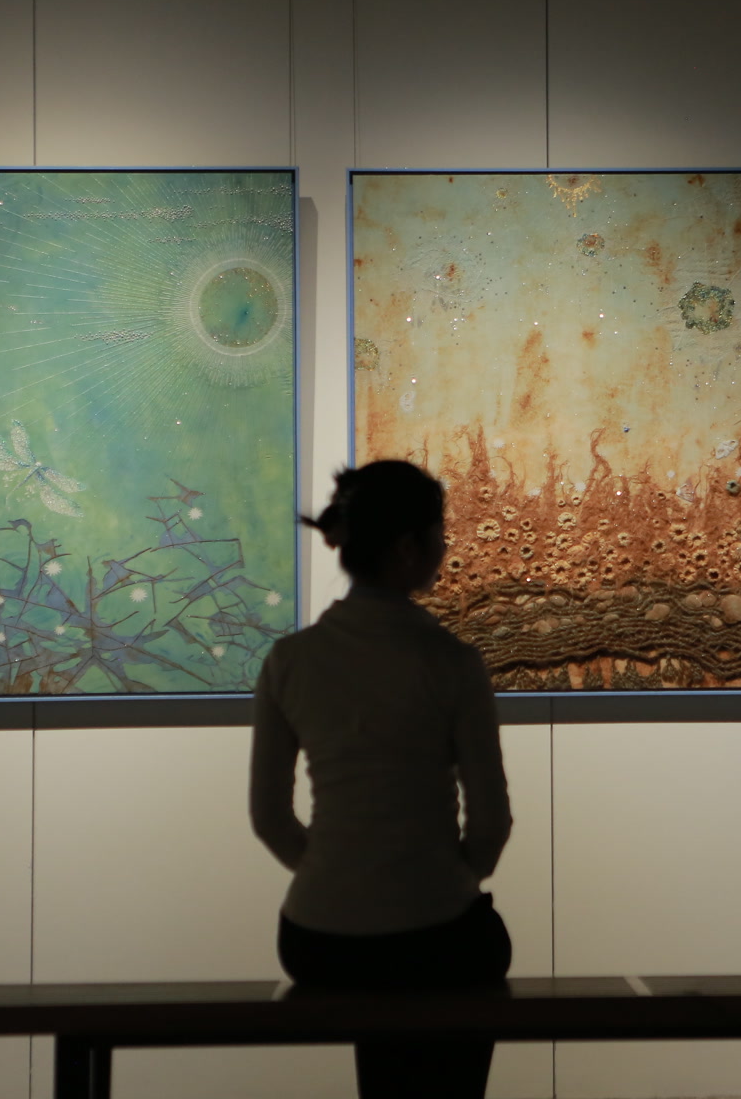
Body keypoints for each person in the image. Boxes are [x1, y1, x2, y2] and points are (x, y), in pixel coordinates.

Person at [250, 459, 513, 1099]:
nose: (445, 546)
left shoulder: (290, 660)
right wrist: (445, 880)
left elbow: (270, 818)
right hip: (435, 937)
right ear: (407, 548)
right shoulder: (452, 662)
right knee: (469, 954)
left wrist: (336, 871)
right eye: (439, 532)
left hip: (317, 940)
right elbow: (490, 823)